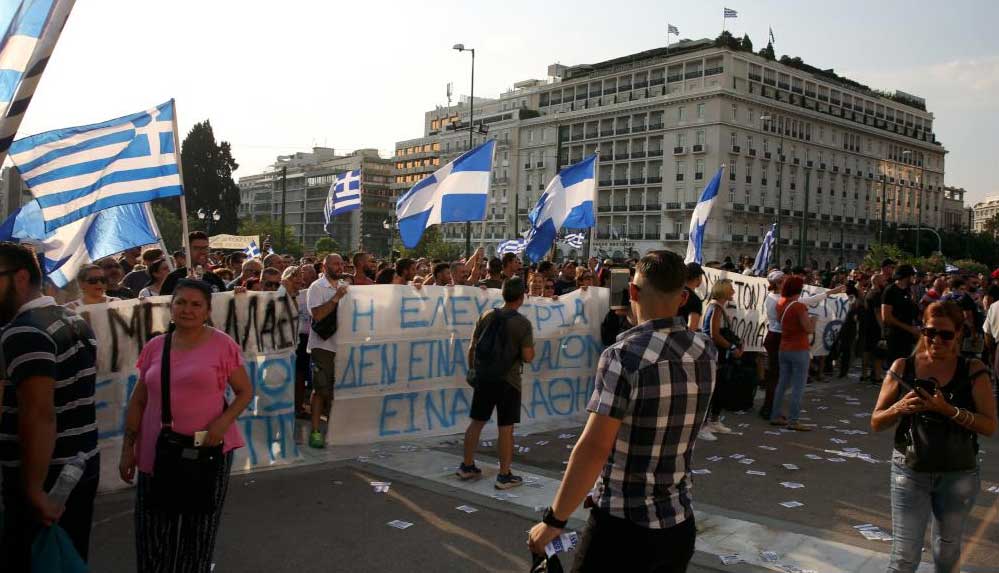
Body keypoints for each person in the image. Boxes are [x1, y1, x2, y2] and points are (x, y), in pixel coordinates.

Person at [527, 250, 715, 571]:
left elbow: (595, 447)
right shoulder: (704, 350)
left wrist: (554, 520)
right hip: (678, 520)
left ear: (632, 292)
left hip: (622, 526)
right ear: (683, 297)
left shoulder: (624, 355)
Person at [119, 279, 252, 572]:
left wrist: (222, 423)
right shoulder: (155, 346)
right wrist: (128, 448)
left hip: (208, 451)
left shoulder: (222, 344)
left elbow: (245, 392)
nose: (187, 310)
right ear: (171, 307)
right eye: (181, 302)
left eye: (196, 304)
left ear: (207, 310)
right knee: (153, 534)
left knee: (198, 533)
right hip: (157, 452)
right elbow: (139, 401)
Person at [871, 302, 996, 573]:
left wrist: (947, 410)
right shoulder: (903, 366)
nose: (936, 340)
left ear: (959, 333)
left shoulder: (973, 370)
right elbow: (876, 421)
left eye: (946, 334)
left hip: (958, 473)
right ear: (922, 330)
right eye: (929, 332)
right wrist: (900, 407)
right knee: (904, 556)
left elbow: (989, 426)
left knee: (948, 551)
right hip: (910, 471)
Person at [0, 242, 101, 570]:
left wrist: (33, 489)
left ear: (20, 277)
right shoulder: (73, 320)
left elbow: (39, 414)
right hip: (78, 468)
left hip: (45, 478)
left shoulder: (25, 332)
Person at [457, 277, 535, 489]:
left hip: (484, 377)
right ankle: (504, 475)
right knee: (506, 428)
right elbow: (528, 356)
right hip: (508, 381)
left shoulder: (486, 315)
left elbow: (472, 347)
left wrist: (474, 370)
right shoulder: (522, 323)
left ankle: (467, 466)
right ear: (521, 297)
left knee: (477, 422)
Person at [305, 254, 348, 448]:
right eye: (335, 264)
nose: (339, 267)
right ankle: (315, 431)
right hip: (323, 346)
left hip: (343, 346)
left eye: (341, 263)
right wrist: (336, 298)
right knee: (321, 389)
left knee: (337, 392)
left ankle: (335, 430)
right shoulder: (317, 287)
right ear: (325, 266)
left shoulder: (347, 285)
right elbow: (317, 314)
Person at [770, 276, 814, 431]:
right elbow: (808, 328)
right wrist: (813, 321)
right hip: (799, 348)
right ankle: (793, 420)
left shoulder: (781, 303)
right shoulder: (798, 306)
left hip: (784, 347)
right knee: (798, 386)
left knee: (782, 383)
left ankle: (775, 415)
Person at [699, 278, 740, 441]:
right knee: (714, 388)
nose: (733, 292)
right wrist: (732, 347)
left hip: (720, 354)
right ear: (723, 290)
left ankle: (714, 420)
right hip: (716, 354)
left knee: (720, 387)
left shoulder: (719, 307)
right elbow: (714, 334)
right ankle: (703, 425)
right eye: (731, 289)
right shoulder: (716, 307)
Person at [161, 232, 228, 294]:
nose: (202, 252)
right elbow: (164, 303)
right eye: (196, 248)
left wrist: (237, 296)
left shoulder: (215, 279)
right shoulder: (174, 278)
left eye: (205, 248)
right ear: (187, 250)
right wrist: (183, 287)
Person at [882, 265, 922, 367]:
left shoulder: (908, 290)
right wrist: (909, 328)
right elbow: (886, 317)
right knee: (895, 365)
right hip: (895, 336)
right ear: (906, 276)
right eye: (913, 275)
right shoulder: (890, 291)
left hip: (907, 336)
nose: (915, 278)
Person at [864, 274, 888, 383]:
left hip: (868, 324)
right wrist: (882, 328)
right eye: (882, 279)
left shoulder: (869, 293)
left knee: (867, 350)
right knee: (878, 352)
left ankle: (864, 374)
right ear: (877, 281)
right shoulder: (877, 294)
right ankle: (877, 377)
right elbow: (878, 312)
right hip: (875, 326)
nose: (884, 281)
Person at [677, 262, 704, 330]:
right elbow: (692, 328)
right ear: (698, 278)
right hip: (679, 337)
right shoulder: (695, 300)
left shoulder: (674, 292)